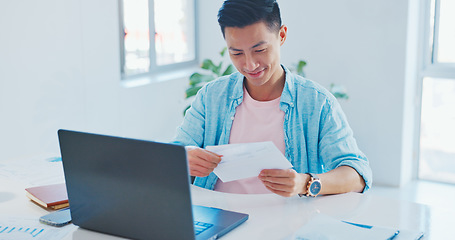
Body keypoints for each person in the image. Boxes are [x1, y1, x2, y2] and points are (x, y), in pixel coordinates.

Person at [172, 0, 372, 197]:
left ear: (282, 35)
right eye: (236, 53)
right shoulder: (212, 96)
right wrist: (184, 157)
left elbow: (358, 174)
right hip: (219, 218)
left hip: (289, 222)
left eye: (260, 50)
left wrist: (306, 183)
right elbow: (172, 153)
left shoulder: (317, 102)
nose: (250, 65)